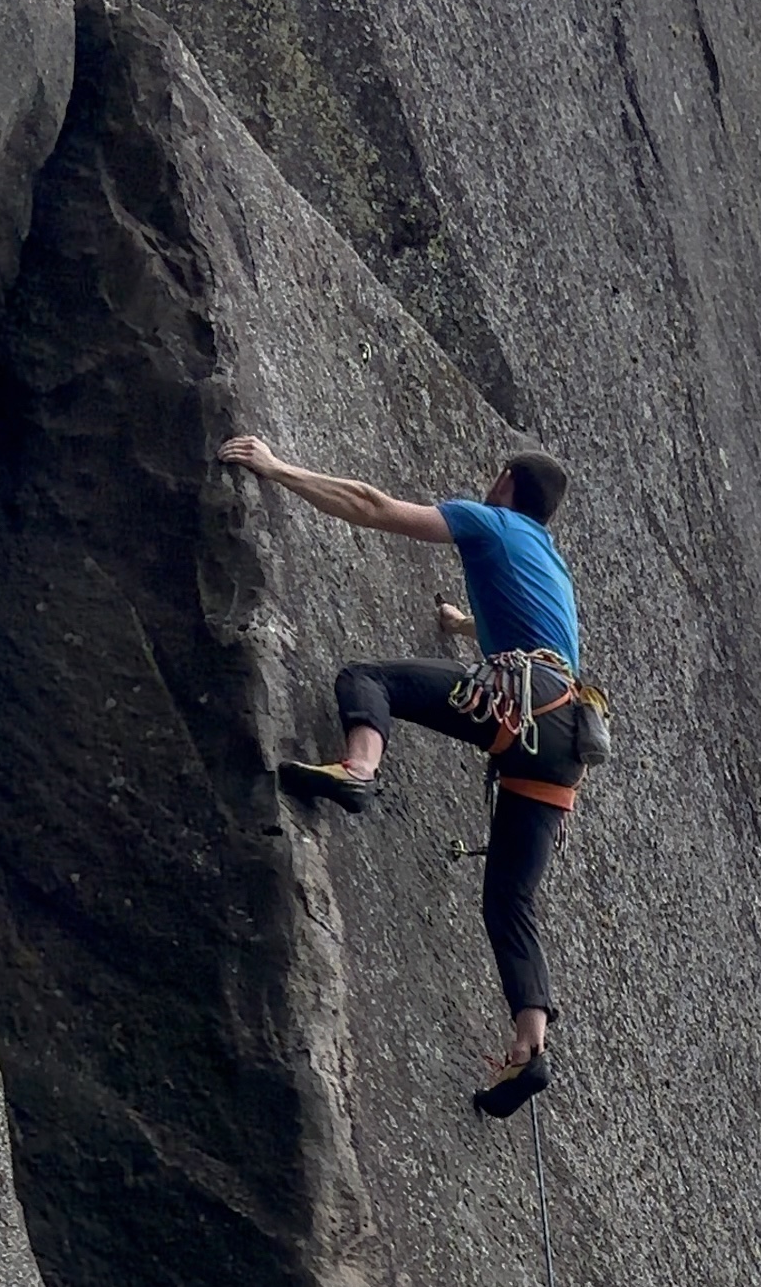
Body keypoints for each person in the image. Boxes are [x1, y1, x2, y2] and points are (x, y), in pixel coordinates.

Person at [216, 434, 587, 1118]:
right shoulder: (553, 567)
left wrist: (276, 468)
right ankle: (529, 1048)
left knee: (367, 678)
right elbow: (535, 634)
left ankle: (358, 767)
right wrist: (463, 625)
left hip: (522, 707)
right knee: (510, 900)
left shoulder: (491, 522)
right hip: (566, 739)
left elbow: (374, 505)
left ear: (505, 483)